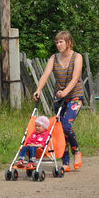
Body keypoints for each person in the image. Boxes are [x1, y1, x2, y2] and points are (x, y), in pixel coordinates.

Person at [33, 30, 84, 172]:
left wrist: (65, 92)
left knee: (67, 126)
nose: (59, 44)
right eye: (57, 42)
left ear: (69, 42)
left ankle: (76, 151)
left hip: (74, 96)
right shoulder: (54, 58)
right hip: (59, 99)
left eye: (61, 41)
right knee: (60, 129)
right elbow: (45, 74)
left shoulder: (77, 57)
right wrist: (38, 89)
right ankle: (65, 161)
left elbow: (75, 78)